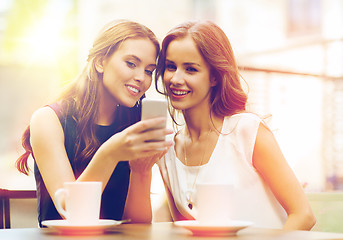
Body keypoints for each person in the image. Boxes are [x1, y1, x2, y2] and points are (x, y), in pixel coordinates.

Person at [155, 20, 316, 230]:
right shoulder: (167, 150)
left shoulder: (247, 130)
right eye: (170, 66)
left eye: (191, 69)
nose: (176, 78)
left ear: (214, 77)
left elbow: (303, 215)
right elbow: (185, 229)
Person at [16, 19, 173, 227]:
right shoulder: (48, 120)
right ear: (100, 62)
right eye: (131, 64)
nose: (141, 78)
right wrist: (110, 153)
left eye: (148, 71)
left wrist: (141, 171)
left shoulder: (134, 126)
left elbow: (138, 226)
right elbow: (71, 212)